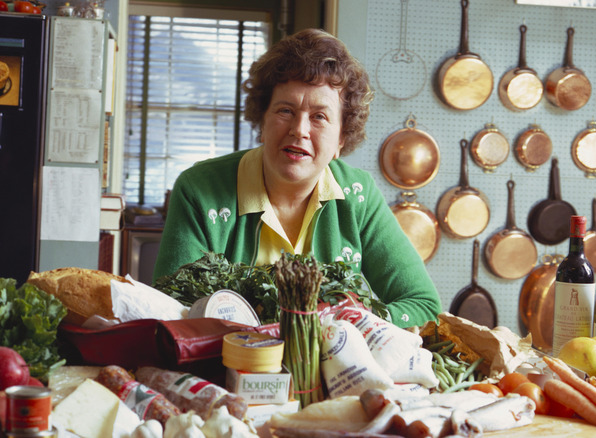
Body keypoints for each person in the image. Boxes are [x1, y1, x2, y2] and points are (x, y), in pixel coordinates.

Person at [153, 28, 441, 328]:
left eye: (319, 116)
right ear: (262, 121)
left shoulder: (359, 196)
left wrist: (355, 322)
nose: (299, 129)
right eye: (285, 110)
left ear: (342, 137)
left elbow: (424, 306)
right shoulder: (199, 189)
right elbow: (171, 309)